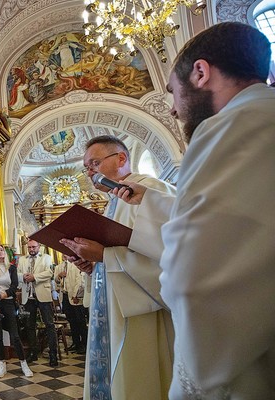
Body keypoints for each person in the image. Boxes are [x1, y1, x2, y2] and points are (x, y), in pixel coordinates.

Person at [112, 22, 275, 399]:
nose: (171, 107)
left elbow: (195, 277)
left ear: (200, 73)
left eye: (171, 91)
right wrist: (151, 203)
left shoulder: (229, 127)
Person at [60, 135, 176, 400]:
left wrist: (105, 256)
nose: (90, 172)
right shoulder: (113, 203)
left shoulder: (151, 191)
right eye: (87, 168)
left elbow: (175, 255)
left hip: (144, 314)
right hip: (114, 310)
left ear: (121, 159)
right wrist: (92, 266)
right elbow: (119, 253)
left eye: (95, 163)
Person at [0, 244, 33, 378]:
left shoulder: (11, 268)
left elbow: (13, 288)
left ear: (5, 253)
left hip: (8, 303)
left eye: (1, 250)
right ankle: (2, 366)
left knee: (15, 335)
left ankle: (24, 365)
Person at [17, 239, 58, 367]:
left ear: (39, 247)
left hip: (43, 295)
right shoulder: (22, 260)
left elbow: (50, 272)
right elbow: (17, 273)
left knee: (49, 325)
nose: (31, 249)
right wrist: (23, 276)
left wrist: (35, 277)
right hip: (28, 297)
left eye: (34, 247)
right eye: (29, 247)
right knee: (29, 326)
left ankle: (53, 355)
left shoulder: (46, 257)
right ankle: (33, 353)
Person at [54, 254, 87, 355]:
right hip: (64, 295)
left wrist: (76, 295)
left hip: (75, 296)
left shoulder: (76, 265)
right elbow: (55, 282)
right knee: (71, 321)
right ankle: (76, 342)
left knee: (80, 321)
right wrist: (59, 276)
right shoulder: (59, 266)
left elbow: (80, 280)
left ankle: (84, 344)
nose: (64, 255)